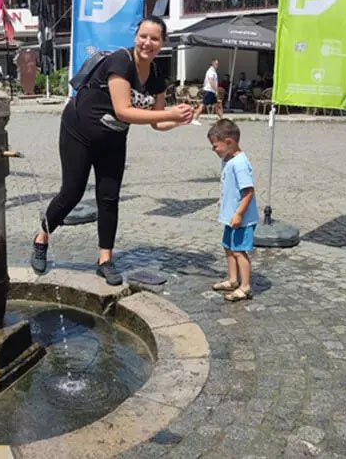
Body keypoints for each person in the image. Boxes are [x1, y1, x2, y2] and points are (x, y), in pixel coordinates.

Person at [30, 15, 194, 285]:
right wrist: (169, 113)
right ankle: (41, 238)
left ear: (162, 43)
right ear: (136, 37)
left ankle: (104, 260)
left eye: (154, 39)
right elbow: (123, 110)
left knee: (109, 198)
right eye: (143, 36)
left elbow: (157, 122)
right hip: (79, 131)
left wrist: (179, 119)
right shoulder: (121, 61)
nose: (147, 43)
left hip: (114, 137)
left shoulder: (156, 76)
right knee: (71, 192)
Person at [208, 119, 258, 302]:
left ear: (228, 141)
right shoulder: (228, 160)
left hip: (241, 218)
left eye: (215, 146)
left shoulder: (240, 164)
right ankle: (233, 279)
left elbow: (248, 191)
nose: (213, 149)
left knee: (239, 250)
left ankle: (245, 286)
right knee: (228, 247)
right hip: (231, 216)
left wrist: (239, 213)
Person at [193, 59, 223, 124]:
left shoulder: (213, 71)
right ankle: (194, 119)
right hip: (209, 91)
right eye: (216, 63)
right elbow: (211, 81)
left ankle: (222, 119)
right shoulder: (211, 72)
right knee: (202, 106)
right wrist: (216, 90)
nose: (218, 65)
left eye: (218, 64)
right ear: (213, 63)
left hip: (211, 91)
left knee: (216, 106)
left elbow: (205, 82)